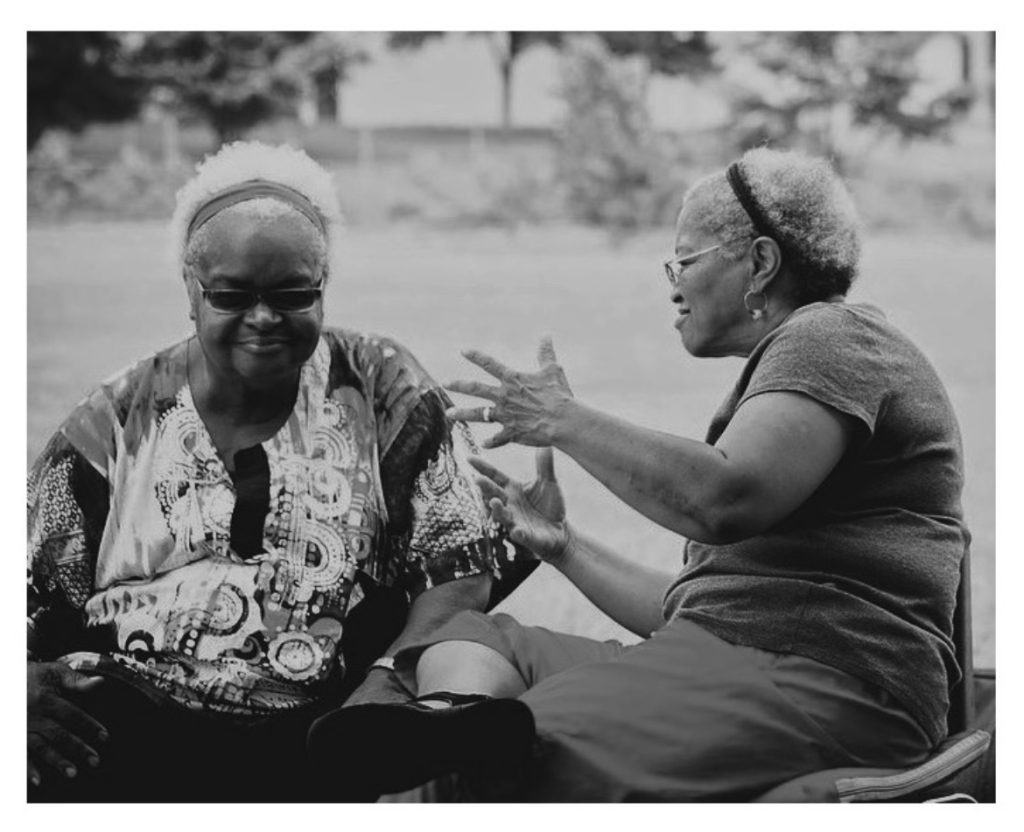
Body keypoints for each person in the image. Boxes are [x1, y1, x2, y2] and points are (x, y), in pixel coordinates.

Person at [309, 148, 970, 802]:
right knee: (470, 638)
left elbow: (724, 498)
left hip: (826, 682)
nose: (673, 285)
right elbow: (701, 604)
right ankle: (454, 720)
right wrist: (565, 547)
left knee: (500, 763)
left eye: (684, 260)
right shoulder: (809, 361)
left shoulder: (832, 337)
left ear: (760, 263)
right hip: (742, 657)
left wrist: (560, 420)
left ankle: (470, 761)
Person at [26, 141, 533, 802]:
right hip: (126, 712)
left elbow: (457, 566)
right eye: (232, 295)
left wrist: (388, 676)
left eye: (293, 294)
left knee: (348, 753)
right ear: (191, 289)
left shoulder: (378, 384)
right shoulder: (112, 423)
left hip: (322, 719)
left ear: (322, 287)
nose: (264, 319)